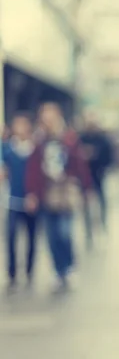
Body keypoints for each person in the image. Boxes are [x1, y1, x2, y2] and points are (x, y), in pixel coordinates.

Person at [25, 103, 93, 291]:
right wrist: (31, 193)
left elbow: (80, 164)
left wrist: (87, 188)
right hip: (46, 192)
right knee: (51, 236)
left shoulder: (69, 138)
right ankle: (58, 270)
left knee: (64, 232)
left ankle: (69, 266)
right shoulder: (39, 141)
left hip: (65, 192)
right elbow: (32, 169)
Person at [2, 113, 38, 288]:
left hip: (31, 200)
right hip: (13, 200)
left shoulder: (34, 149)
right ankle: (12, 272)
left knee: (32, 237)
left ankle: (30, 270)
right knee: (11, 237)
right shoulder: (8, 149)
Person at [80, 112, 115, 246]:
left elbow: (108, 156)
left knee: (102, 201)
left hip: (99, 174)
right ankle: (89, 232)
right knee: (86, 204)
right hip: (85, 176)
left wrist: (98, 159)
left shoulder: (102, 139)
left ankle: (103, 225)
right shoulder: (81, 138)